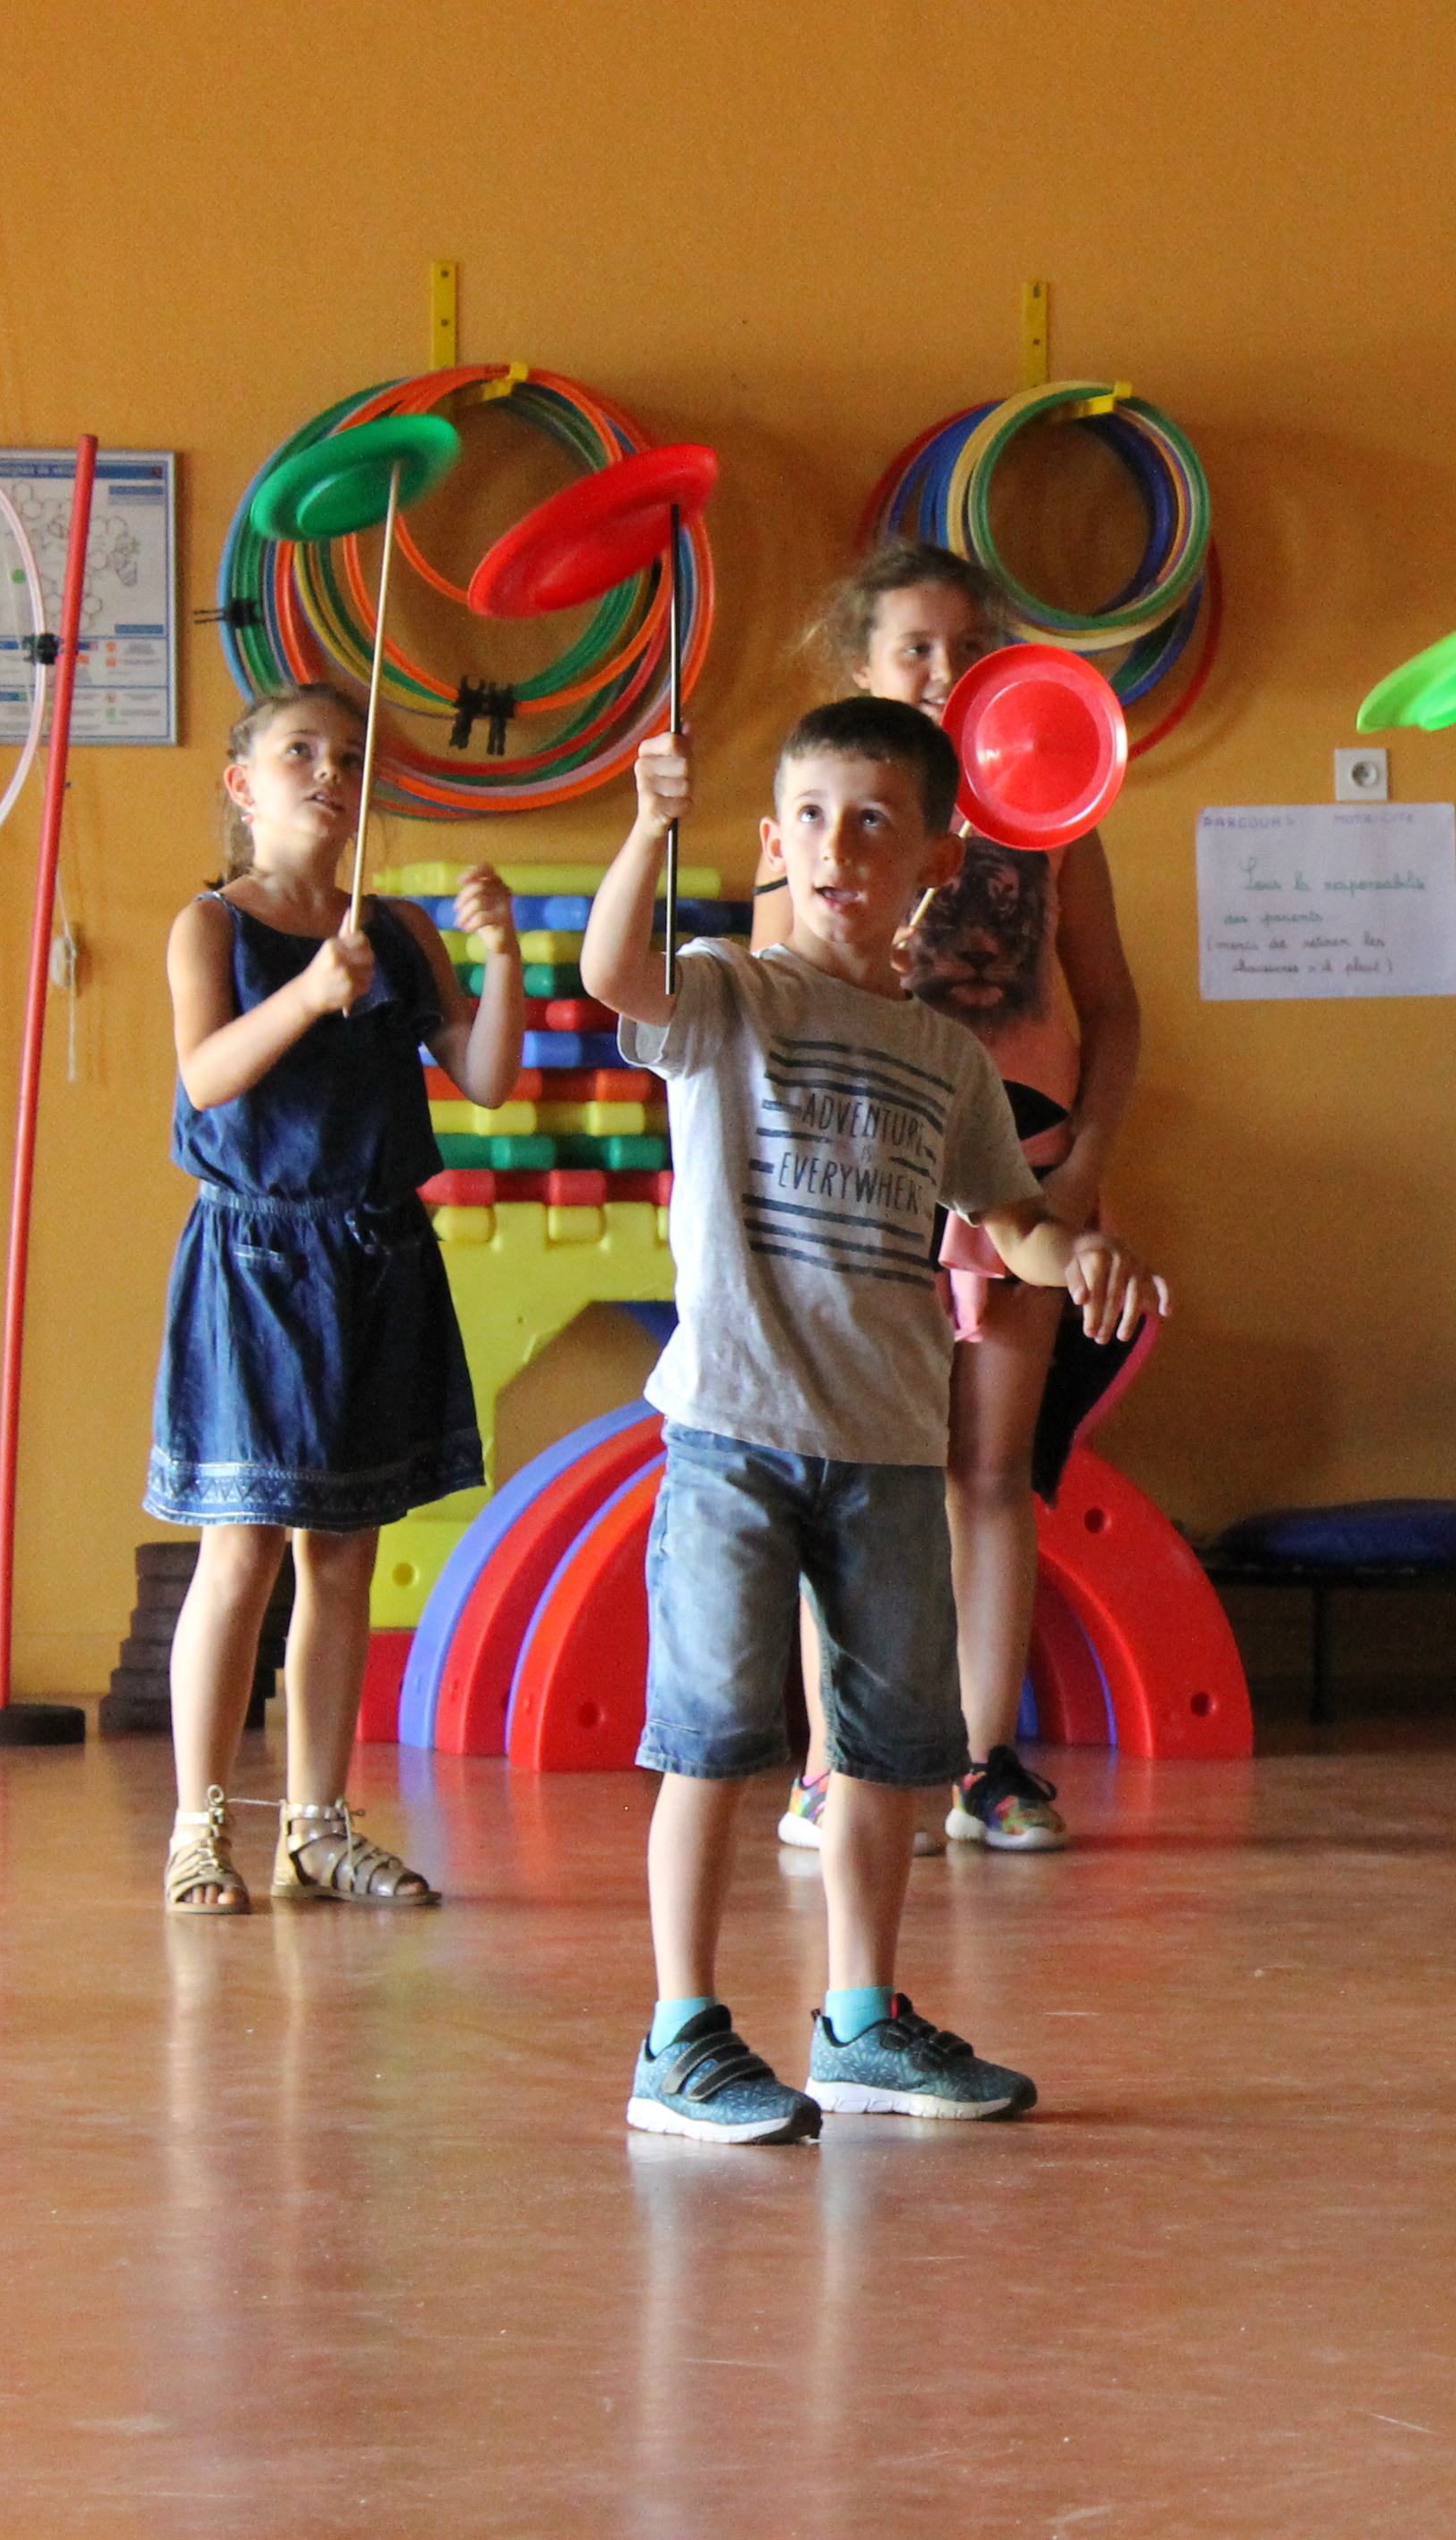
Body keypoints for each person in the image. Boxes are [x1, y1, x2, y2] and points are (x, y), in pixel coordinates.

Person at [592, 698, 1161, 2143]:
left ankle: (860, 2023)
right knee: (713, 1741)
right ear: (772, 842)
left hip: (892, 1449)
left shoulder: (950, 1061)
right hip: (733, 1435)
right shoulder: (725, 992)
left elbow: (1012, 1222)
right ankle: (680, 2037)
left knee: (889, 1752)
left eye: (874, 822)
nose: (839, 847)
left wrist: (1081, 1255)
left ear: (937, 860)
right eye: (812, 818)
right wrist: (648, 828)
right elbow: (613, 973)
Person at [763, 540, 1147, 1861]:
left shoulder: (1058, 819)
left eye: (968, 647)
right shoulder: (821, 826)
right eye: (915, 649)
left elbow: (1112, 1008)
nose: (944, 670)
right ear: (861, 666)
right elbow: (772, 1012)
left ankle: (984, 1759)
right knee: (862, 1474)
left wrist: (1079, 1171)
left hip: (1021, 1176)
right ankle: (837, 1761)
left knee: (991, 1473)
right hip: (865, 1183)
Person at [149, 686, 522, 1914]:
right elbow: (208, 1077)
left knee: (346, 1553)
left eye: (349, 757)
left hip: (377, 1261)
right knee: (243, 1546)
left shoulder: (396, 929)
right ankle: (199, 1829)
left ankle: (316, 1827)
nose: (329, 772)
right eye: (298, 752)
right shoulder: (211, 926)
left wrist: (500, 957)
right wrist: (310, 995)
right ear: (241, 785)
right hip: (259, 1264)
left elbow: (486, 1076)